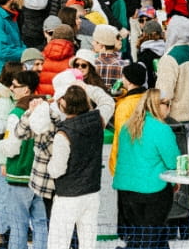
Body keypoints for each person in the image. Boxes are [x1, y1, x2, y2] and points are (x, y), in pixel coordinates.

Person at [111, 91, 177, 249]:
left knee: (140, 235)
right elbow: (174, 162)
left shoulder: (127, 126)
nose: (169, 108)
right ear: (156, 106)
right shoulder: (161, 129)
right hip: (152, 190)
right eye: (167, 104)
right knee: (151, 237)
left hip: (125, 190)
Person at [46, 86, 104, 249]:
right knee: (88, 242)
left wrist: (49, 166)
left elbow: (57, 169)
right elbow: (106, 102)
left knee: (58, 243)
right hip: (92, 192)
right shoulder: (98, 121)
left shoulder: (63, 134)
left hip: (68, 195)